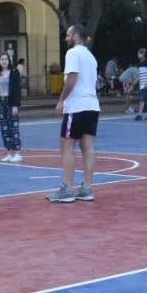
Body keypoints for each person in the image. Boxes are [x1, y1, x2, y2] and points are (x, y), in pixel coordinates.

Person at [47, 24, 99, 203]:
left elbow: (72, 78)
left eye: (68, 35)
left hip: (77, 106)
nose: (66, 38)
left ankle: (67, 189)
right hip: (92, 106)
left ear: (76, 36)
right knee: (88, 147)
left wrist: (61, 100)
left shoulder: (73, 53)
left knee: (67, 146)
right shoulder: (91, 57)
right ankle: (87, 188)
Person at [0, 51, 24, 162]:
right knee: (4, 128)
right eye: (2, 59)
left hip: (11, 102)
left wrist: (15, 105)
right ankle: (9, 152)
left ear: (9, 60)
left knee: (13, 128)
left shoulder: (14, 73)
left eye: (6, 59)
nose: (4, 61)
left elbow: (16, 90)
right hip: (1, 102)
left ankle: (17, 153)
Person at [134, 48, 147, 121]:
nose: (138, 55)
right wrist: (134, 83)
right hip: (141, 83)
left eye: (139, 53)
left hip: (145, 83)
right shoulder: (139, 63)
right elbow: (140, 75)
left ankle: (139, 115)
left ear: (143, 54)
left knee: (142, 99)